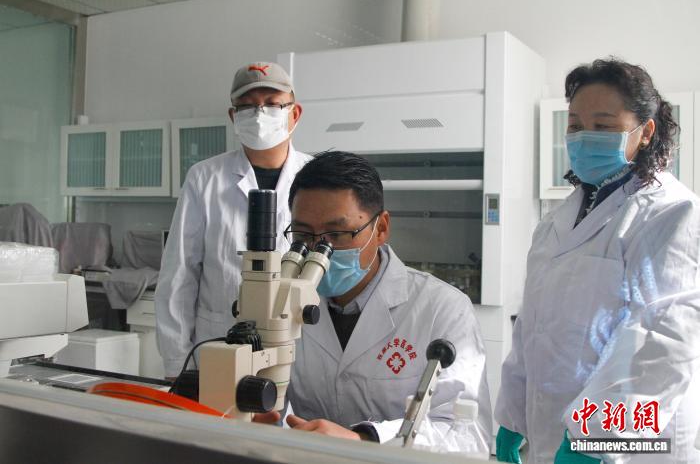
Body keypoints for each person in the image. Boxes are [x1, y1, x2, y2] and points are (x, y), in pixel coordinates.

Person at [495, 58, 700, 464]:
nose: (584, 138)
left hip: (626, 443)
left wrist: (597, 439)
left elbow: (663, 342)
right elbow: (532, 328)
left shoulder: (673, 213)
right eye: (575, 125)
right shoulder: (554, 222)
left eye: (603, 126)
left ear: (646, 132)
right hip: (549, 434)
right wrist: (512, 416)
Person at [255, 151, 492, 450]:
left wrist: (365, 439)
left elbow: (470, 437)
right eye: (303, 234)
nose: (318, 250)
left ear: (380, 229)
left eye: (337, 234)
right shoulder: (280, 300)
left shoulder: (443, 309)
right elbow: (267, 405)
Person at [156, 62, 309, 379]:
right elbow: (179, 275)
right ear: (233, 116)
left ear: (294, 113)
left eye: (272, 104)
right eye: (247, 106)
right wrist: (176, 364)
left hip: (299, 352)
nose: (259, 115)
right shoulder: (204, 178)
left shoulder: (316, 178)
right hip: (219, 345)